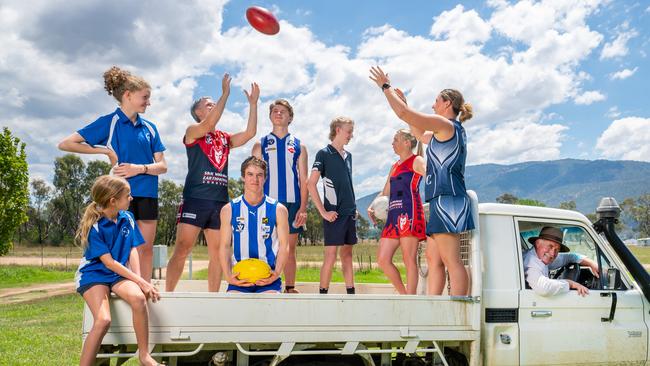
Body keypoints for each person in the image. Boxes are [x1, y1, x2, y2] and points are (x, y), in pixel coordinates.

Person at [369, 66, 474, 296]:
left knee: (451, 261)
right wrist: (403, 104)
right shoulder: (442, 132)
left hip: (449, 199)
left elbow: (405, 115)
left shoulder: (446, 125)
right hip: (439, 199)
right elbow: (418, 134)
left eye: (436, 101)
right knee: (433, 259)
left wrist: (386, 88)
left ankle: (459, 316)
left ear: (447, 104)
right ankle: (433, 310)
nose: (433, 105)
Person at [59, 66, 167, 283]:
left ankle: (143, 290)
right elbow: (66, 143)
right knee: (119, 249)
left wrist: (139, 168)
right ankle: (116, 287)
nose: (148, 102)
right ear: (128, 95)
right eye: (145, 97)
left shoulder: (150, 128)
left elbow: (162, 166)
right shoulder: (109, 122)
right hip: (117, 196)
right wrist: (104, 150)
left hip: (147, 193)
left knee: (145, 249)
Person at [165, 75, 260, 292]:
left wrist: (253, 105)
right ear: (198, 112)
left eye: (214, 103)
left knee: (219, 254)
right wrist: (225, 94)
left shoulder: (224, 138)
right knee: (182, 248)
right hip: (195, 199)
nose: (214, 105)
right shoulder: (193, 131)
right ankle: (168, 294)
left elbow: (249, 133)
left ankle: (213, 298)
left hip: (219, 203)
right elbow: (209, 123)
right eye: (209, 104)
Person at [74, 175, 161, 366]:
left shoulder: (127, 218)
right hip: (95, 273)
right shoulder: (94, 227)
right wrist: (141, 282)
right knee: (103, 320)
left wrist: (138, 280)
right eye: (128, 195)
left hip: (118, 273)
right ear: (113, 201)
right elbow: (109, 262)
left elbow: (132, 250)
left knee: (138, 298)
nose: (131, 198)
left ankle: (144, 356)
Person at [252, 99, 308, 293]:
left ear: (290, 117)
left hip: (292, 204)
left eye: (282, 111)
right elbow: (255, 179)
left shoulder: (299, 146)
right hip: (268, 204)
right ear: (270, 116)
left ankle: (290, 287)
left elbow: (304, 179)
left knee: (289, 249)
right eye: (274, 111)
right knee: (265, 246)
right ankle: (262, 284)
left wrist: (303, 208)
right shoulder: (260, 144)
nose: (278, 113)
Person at [219, 156, 289, 293]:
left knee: (271, 307)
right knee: (233, 309)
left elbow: (284, 245)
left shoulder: (278, 209)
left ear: (265, 178)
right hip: (240, 277)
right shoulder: (229, 209)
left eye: (259, 175)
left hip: (268, 278)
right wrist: (228, 276)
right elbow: (224, 246)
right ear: (243, 177)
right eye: (250, 174)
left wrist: (277, 273)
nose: (255, 179)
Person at [368, 129, 426, 295]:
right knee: (383, 260)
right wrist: (372, 206)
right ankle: (404, 295)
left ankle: (411, 299)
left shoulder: (417, 160)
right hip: (393, 215)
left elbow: (430, 175)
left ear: (407, 143)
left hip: (410, 212)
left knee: (409, 260)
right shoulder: (394, 166)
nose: (392, 144)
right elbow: (385, 191)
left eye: (395, 140)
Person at [307, 117, 357, 294]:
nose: (351, 135)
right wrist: (323, 212)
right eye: (349, 131)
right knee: (330, 256)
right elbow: (310, 183)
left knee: (348, 255)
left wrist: (354, 206)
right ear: (337, 130)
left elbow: (347, 183)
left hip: (349, 213)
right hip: (333, 215)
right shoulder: (323, 154)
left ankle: (351, 295)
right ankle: (323, 296)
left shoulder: (349, 156)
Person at [523, 226, 599, 297]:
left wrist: (591, 263)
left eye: (557, 250)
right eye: (550, 246)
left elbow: (570, 257)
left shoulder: (542, 256)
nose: (552, 254)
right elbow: (543, 288)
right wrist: (570, 284)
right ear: (538, 243)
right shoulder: (531, 261)